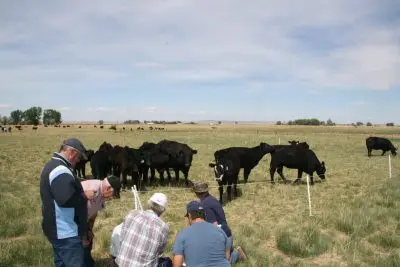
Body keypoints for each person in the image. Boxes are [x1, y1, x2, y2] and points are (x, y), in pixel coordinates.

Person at [40, 138, 96, 267]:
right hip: (66, 232)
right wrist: (84, 196)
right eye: (78, 158)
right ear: (71, 152)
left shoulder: (52, 166)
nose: (78, 161)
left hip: (57, 229)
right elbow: (64, 199)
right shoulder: (61, 170)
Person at [192, 182, 248, 264]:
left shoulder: (205, 205)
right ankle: (231, 250)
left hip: (222, 236)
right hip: (227, 233)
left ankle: (237, 254)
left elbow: (214, 225)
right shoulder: (213, 199)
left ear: (197, 193)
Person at [116, 193, 171, 267]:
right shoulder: (163, 227)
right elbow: (160, 251)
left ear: (149, 203)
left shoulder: (132, 214)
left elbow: (122, 238)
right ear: (163, 210)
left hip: (121, 263)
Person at [172, 200, 231, 267]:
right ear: (204, 215)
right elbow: (227, 258)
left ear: (189, 215)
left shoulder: (182, 235)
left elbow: (177, 265)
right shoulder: (220, 231)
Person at [81, 175, 122, 267]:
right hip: (75, 221)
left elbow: (93, 213)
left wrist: (90, 229)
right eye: (112, 194)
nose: (111, 198)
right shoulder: (93, 190)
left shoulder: (101, 193)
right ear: (108, 188)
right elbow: (80, 212)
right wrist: (85, 231)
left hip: (85, 221)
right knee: (82, 246)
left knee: (88, 243)